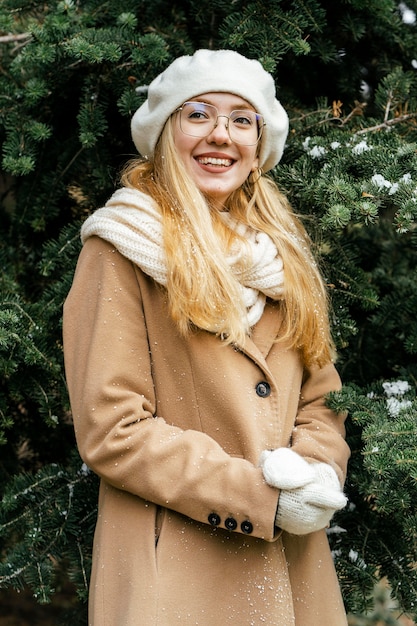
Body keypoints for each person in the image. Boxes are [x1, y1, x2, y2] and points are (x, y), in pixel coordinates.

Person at [63, 49, 351, 626]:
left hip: (291, 569)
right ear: (166, 132)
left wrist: (315, 473)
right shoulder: (121, 247)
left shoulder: (282, 257)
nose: (220, 135)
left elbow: (322, 400)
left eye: (241, 120)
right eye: (198, 114)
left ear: (259, 146)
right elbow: (114, 430)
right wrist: (262, 498)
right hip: (175, 572)